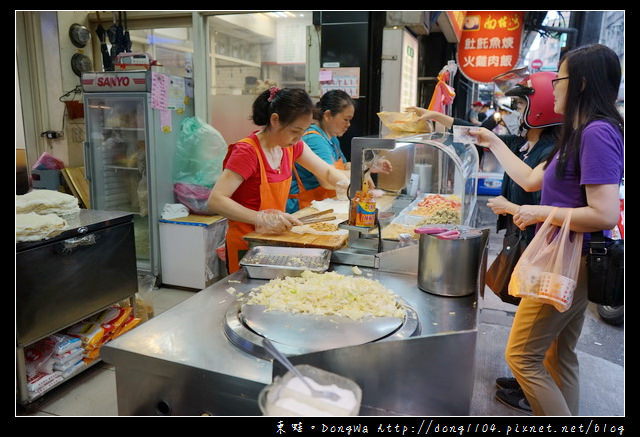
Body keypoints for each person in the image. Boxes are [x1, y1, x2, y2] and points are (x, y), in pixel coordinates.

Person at [469, 44, 624, 416]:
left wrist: (538, 212)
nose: (553, 87)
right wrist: (490, 141)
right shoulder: (576, 133)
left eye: (560, 78)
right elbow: (528, 177)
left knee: (522, 356)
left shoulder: (597, 133)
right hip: (571, 257)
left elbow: (603, 213)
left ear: (581, 83)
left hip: (570, 258)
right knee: (559, 354)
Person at [207, 87, 350, 273]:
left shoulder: (291, 146)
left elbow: (326, 172)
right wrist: (259, 218)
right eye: (295, 131)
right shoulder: (247, 152)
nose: (299, 138)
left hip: (274, 239)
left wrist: (345, 184)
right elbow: (216, 200)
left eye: (303, 132)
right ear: (275, 120)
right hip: (246, 243)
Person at [286, 90, 392, 213]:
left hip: (324, 203)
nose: (348, 124)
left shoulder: (332, 138)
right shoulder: (314, 139)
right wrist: (361, 173)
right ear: (327, 115)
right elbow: (327, 180)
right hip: (304, 208)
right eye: (346, 119)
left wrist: (368, 166)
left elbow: (344, 166)